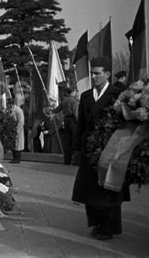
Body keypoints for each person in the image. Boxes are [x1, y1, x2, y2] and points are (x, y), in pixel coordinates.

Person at [71, 57, 129, 241]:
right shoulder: (86, 96)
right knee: (90, 189)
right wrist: (77, 148)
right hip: (89, 148)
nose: (94, 76)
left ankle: (109, 227)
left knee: (108, 188)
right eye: (92, 73)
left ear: (107, 74)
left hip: (111, 147)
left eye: (97, 73)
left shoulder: (118, 94)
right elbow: (81, 124)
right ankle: (96, 223)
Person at [52, 87, 79, 164]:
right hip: (72, 120)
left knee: (67, 141)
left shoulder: (64, 101)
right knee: (75, 140)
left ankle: (67, 160)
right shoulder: (74, 101)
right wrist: (78, 122)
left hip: (66, 120)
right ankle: (75, 161)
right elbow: (76, 113)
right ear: (72, 92)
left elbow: (57, 110)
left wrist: (51, 109)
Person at [8, 98, 24, 163]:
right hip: (12, 129)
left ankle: (17, 159)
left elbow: (21, 121)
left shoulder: (18, 110)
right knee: (13, 145)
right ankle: (14, 158)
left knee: (18, 145)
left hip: (17, 129)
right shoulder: (10, 110)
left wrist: (17, 130)